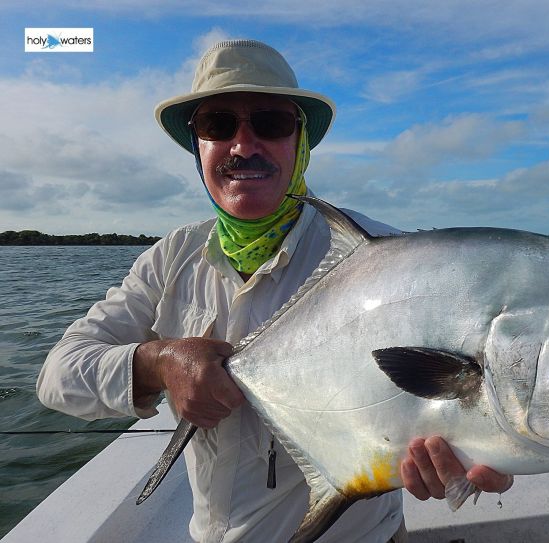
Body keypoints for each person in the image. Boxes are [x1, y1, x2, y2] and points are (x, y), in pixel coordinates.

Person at [37, 39, 513, 542]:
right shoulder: (171, 258)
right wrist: (158, 363)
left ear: (299, 141)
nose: (243, 146)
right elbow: (57, 375)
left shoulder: (389, 259)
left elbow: (457, 393)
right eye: (217, 125)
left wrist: (491, 448)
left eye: (270, 122)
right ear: (198, 147)